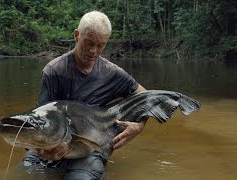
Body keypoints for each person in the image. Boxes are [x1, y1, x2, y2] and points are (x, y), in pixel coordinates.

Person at [23, 10, 147, 180]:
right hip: (53, 144)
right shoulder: (54, 71)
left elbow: (146, 97)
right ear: (76, 35)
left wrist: (138, 126)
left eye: (101, 45)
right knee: (25, 174)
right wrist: (42, 149)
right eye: (88, 43)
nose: (93, 51)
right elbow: (40, 122)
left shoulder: (113, 73)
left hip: (90, 149)